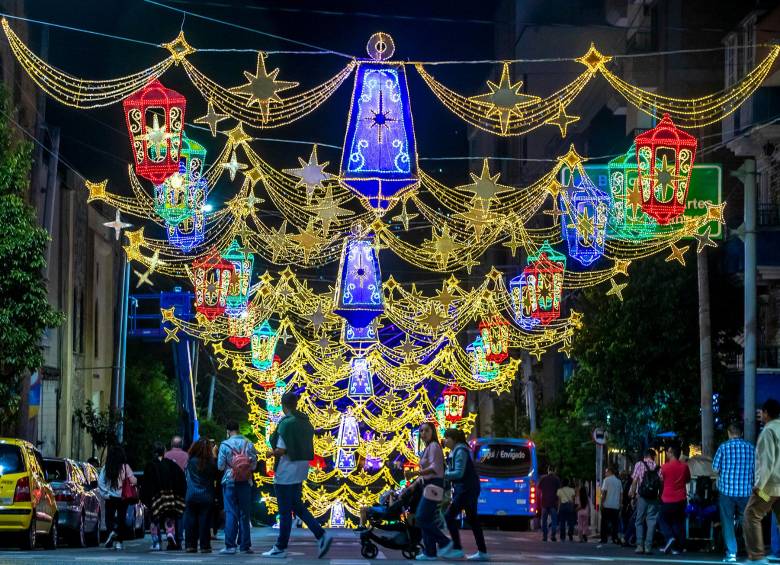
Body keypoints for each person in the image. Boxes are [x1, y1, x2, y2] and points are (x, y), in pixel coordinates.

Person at [262, 392, 333, 559]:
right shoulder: (305, 421)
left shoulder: (286, 424)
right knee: (297, 506)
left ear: (282, 404)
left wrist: (270, 453)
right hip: (301, 468)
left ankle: (280, 546)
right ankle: (321, 534)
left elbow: (281, 449)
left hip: (286, 470)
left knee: (285, 510)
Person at [439, 428, 490, 561]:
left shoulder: (460, 451)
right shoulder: (456, 450)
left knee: (449, 516)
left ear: (454, 439)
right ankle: (482, 552)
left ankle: (457, 549)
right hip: (468, 488)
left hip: (466, 489)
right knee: (473, 520)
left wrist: (444, 475)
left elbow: (459, 473)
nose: (445, 440)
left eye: (447, 437)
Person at [743, 398, 780, 563]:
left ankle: (757, 556)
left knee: (751, 514)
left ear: (766, 413)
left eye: (761, 412)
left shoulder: (768, 431)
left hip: (769, 487)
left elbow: (766, 461)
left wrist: (758, 485)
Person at [712, 422, 754, 563]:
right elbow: (756, 470)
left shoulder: (723, 447)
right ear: (741, 433)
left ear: (729, 433)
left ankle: (731, 553)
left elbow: (715, 469)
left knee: (727, 521)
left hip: (727, 492)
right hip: (746, 491)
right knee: (746, 521)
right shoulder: (750, 448)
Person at [217, 420, 258, 555]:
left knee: (231, 513)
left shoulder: (224, 445)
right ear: (238, 429)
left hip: (229, 481)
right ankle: (245, 546)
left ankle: (230, 546)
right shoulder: (248, 443)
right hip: (245, 481)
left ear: (228, 431)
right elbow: (253, 466)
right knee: (244, 514)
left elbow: (220, 466)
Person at [412, 421, 451, 560]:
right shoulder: (428, 448)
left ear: (432, 432)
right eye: (421, 431)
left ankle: (445, 542)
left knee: (421, 518)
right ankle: (430, 552)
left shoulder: (434, 446)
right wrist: (415, 483)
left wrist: (415, 474)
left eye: (426, 430)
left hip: (434, 486)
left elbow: (434, 468)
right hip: (429, 485)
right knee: (426, 518)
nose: (423, 433)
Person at [142, 441, 186, 551]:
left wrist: (145, 497)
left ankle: (156, 542)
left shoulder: (150, 465)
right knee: (169, 516)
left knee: (154, 519)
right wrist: (178, 494)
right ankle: (170, 533)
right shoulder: (171, 464)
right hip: (169, 495)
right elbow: (180, 478)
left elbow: (146, 483)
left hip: (155, 496)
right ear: (164, 451)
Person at [98, 446, 136, 551]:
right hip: (123, 497)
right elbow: (133, 481)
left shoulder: (106, 467)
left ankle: (111, 532)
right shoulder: (125, 467)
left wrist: (105, 493)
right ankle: (119, 542)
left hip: (110, 497)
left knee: (109, 517)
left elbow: (101, 482)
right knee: (121, 519)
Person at [185, 438, 218, 553]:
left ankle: (190, 545)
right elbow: (216, 476)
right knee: (205, 521)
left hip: (192, 494)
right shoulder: (211, 463)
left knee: (191, 521)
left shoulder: (191, 461)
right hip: (207, 495)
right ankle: (205, 546)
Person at [659, 444, 690, 555]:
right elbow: (687, 480)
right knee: (678, 522)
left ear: (671, 452)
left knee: (662, 519)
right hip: (681, 498)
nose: (666, 453)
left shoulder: (664, 467)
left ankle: (669, 537)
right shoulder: (684, 466)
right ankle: (677, 548)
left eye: (667, 451)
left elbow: (661, 480)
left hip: (667, 498)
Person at [631, 448, 660, 555]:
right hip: (654, 498)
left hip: (642, 497)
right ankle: (648, 547)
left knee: (639, 520)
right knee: (651, 521)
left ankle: (639, 545)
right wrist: (659, 497)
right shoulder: (658, 468)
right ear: (653, 457)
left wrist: (633, 496)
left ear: (645, 455)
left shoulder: (639, 464)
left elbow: (634, 481)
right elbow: (661, 484)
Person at [599, 466, 623, 547]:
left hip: (607, 505)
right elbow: (621, 494)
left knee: (604, 522)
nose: (605, 474)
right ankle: (614, 538)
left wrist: (601, 503)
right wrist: (620, 504)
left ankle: (604, 538)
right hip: (615, 506)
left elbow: (604, 493)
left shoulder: (606, 480)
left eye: (606, 472)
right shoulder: (619, 481)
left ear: (610, 472)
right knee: (615, 523)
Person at [538, 467, 561, 542]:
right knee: (554, 521)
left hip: (544, 503)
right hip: (553, 503)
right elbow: (559, 491)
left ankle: (545, 536)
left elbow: (539, 488)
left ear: (548, 470)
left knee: (544, 521)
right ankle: (553, 536)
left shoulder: (543, 479)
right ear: (554, 471)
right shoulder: (556, 479)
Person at [557, 478, 576, 542]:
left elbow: (559, 501)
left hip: (562, 506)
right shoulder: (572, 490)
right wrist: (573, 507)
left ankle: (563, 536)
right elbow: (573, 500)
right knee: (571, 522)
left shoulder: (559, 490)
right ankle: (570, 534)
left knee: (562, 522)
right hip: (569, 506)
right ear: (568, 483)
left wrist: (558, 509)